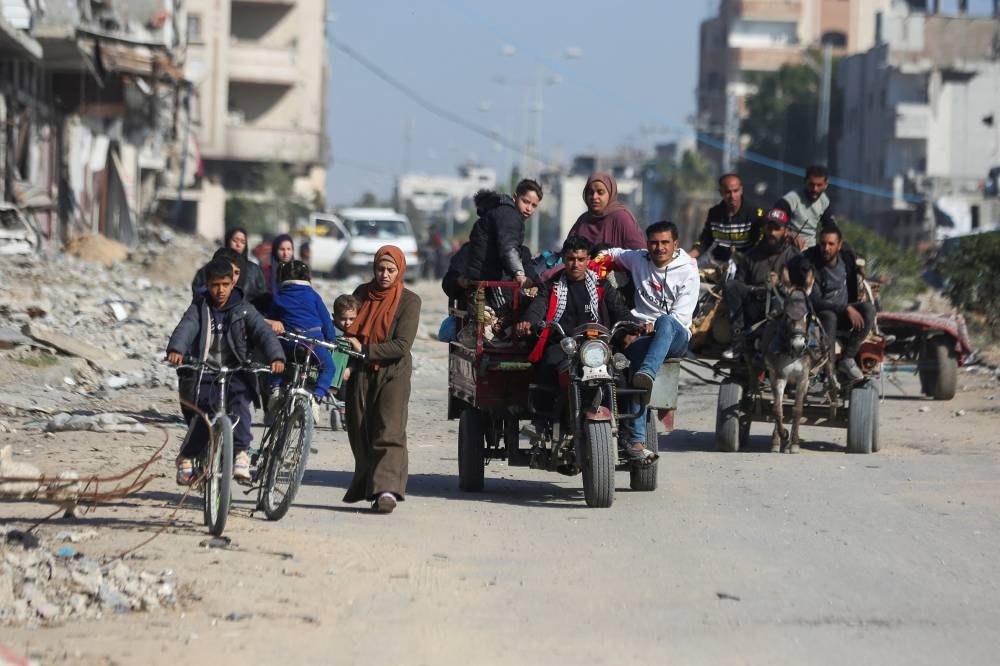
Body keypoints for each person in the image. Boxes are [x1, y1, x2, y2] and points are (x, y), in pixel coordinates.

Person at [166, 258, 285, 484]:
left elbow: (263, 332)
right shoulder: (200, 308)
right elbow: (186, 328)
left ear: (233, 284)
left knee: (240, 406)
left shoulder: (243, 308)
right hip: (206, 370)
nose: (220, 290)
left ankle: (241, 454)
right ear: (207, 285)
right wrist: (176, 349)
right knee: (203, 414)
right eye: (215, 285)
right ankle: (187, 456)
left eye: (225, 284)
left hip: (236, 370)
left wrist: (276, 356)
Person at [601, 221, 700, 465]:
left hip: (674, 336)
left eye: (665, 242)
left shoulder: (688, 269)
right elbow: (612, 253)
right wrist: (596, 262)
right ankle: (636, 441)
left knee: (665, 322)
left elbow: (680, 318)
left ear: (675, 244)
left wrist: (653, 326)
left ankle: (648, 371)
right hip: (643, 339)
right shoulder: (638, 259)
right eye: (654, 243)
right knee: (633, 369)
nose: (659, 248)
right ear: (647, 244)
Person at [340, 246, 422, 514]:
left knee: (389, 429)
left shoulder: (410, 301)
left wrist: (365, 350)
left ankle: (387, 491)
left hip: (393, 371)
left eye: (390, 270)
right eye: (380, 269)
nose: (385, 275)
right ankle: (371, 486)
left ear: (400, 271)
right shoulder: (361, 294)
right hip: (362, 371)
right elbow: (347, 326)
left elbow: (402, 345)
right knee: (361, 428)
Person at [516, 236, 630, 391]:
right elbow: (538, 307)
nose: (575, 264)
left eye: (581, 259)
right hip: (563, 345)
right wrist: (529, 322)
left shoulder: (602, 286)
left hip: (597, 345)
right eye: (571, 259)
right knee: (548, 366)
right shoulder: (551, 286)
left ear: (588, 260)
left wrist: (635, 325)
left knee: (619, 376)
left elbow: (620, 309)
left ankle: (625, 407)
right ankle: (545, 407)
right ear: (563, 259)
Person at [723, 207, 802, 359]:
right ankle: (737, 341)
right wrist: (755, 289)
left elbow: (799, 292)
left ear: (786, 231)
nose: (772, 232)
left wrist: (779, 284)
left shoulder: (794, 257)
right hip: (753, 303)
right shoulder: (751, 255)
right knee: (731, 285)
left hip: (780, 309)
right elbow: (739, 282)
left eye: (776, 229)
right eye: (769, 228)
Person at [804, 224, 875, 382]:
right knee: (830, 316)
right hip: (820, 318)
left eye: (831, 244)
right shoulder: (812, 265)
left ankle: (847, 358)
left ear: (839, 245)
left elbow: (855, 278)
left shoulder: (846, 259)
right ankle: (829, 370)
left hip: (845, 316)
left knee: (868, 309)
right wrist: (846, 308)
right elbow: (815, 301)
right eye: (823, 244)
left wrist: (849, 307)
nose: (826, 248)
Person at [268, 260, 338, 416]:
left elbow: (272, 319)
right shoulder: (313, 295)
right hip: (312, 343)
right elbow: (326, 321)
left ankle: (275, 387)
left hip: (288, 341)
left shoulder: (279, 296)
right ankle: (317, 397)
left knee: (278, 360)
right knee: (328, 367)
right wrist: (331, 340)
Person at [462, 179, 543, 309]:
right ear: (515, 197)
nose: (529, 208)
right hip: (489, 276)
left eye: (534, 205)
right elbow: (509, 248)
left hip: (486, 272)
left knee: (525, 253)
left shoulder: (504, 211)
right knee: (512, 310)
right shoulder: (508, 215)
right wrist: (519, 274)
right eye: (525, 201)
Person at [689, 174, 764, 262]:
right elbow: (704, 242)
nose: (732, 196)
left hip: (747, 263)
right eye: (728, 192)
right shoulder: (714, 213)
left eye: (736, 191)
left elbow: (761, 245)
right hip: (720, 263)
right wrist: (686, 258)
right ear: (721, 193)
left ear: (741, 190)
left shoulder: (755, 213)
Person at [566, 172, 645, 250]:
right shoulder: (583, 220)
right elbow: (567, 252)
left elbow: (640, 254)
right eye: (590, 192)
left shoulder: (622, 218)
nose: (594, 197)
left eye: (600, 192)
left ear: (610, 194)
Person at [778, 164, 833, 250]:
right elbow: (776, 223)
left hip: (810, 249)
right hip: (788, 247)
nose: (815, 189)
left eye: (819, 185)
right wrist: (790, 234)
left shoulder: (824, 201)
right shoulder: (791, 199)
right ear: (805, 182)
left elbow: (830, 227)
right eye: (811, 184)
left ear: (826, 185)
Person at [332, 294, 360, 385]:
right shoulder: (329, 330)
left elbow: (356, 357)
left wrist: (350, 369)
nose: (347, 323)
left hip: (343, 375)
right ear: (334, 316)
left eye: (352, 319)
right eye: (343, 319)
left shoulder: (357, 334)